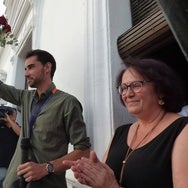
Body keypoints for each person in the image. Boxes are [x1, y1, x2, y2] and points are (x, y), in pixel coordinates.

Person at [0, 47, 91, 188]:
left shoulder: (67, 103)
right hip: (13, 182)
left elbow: (83, 151)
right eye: (24, 69)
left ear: (47, 67)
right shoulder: (26, 98)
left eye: (30, 67)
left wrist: (46, 168)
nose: (26, 74)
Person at [63, 58, 188, 188]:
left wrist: (111, 186)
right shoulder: (121, 132)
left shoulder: (182, 129)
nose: (128, 94)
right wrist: (95, 179)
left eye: (136, 85)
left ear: (161, 90)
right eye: (124, 88)